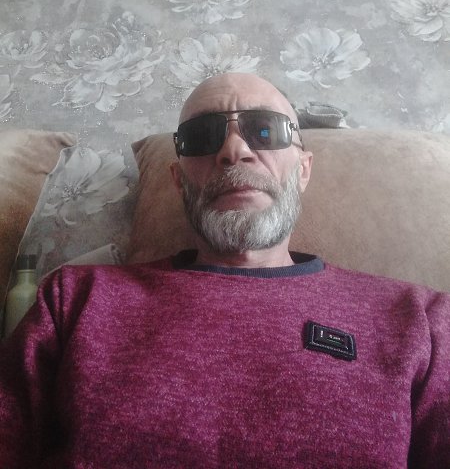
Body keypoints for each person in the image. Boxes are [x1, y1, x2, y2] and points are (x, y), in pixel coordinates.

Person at [0, 72, 449, 469]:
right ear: (179, 181)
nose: (234, 150)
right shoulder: (76, 298)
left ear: (303, 169)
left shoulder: (417, 318)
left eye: (264, 130)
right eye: (203, 136)